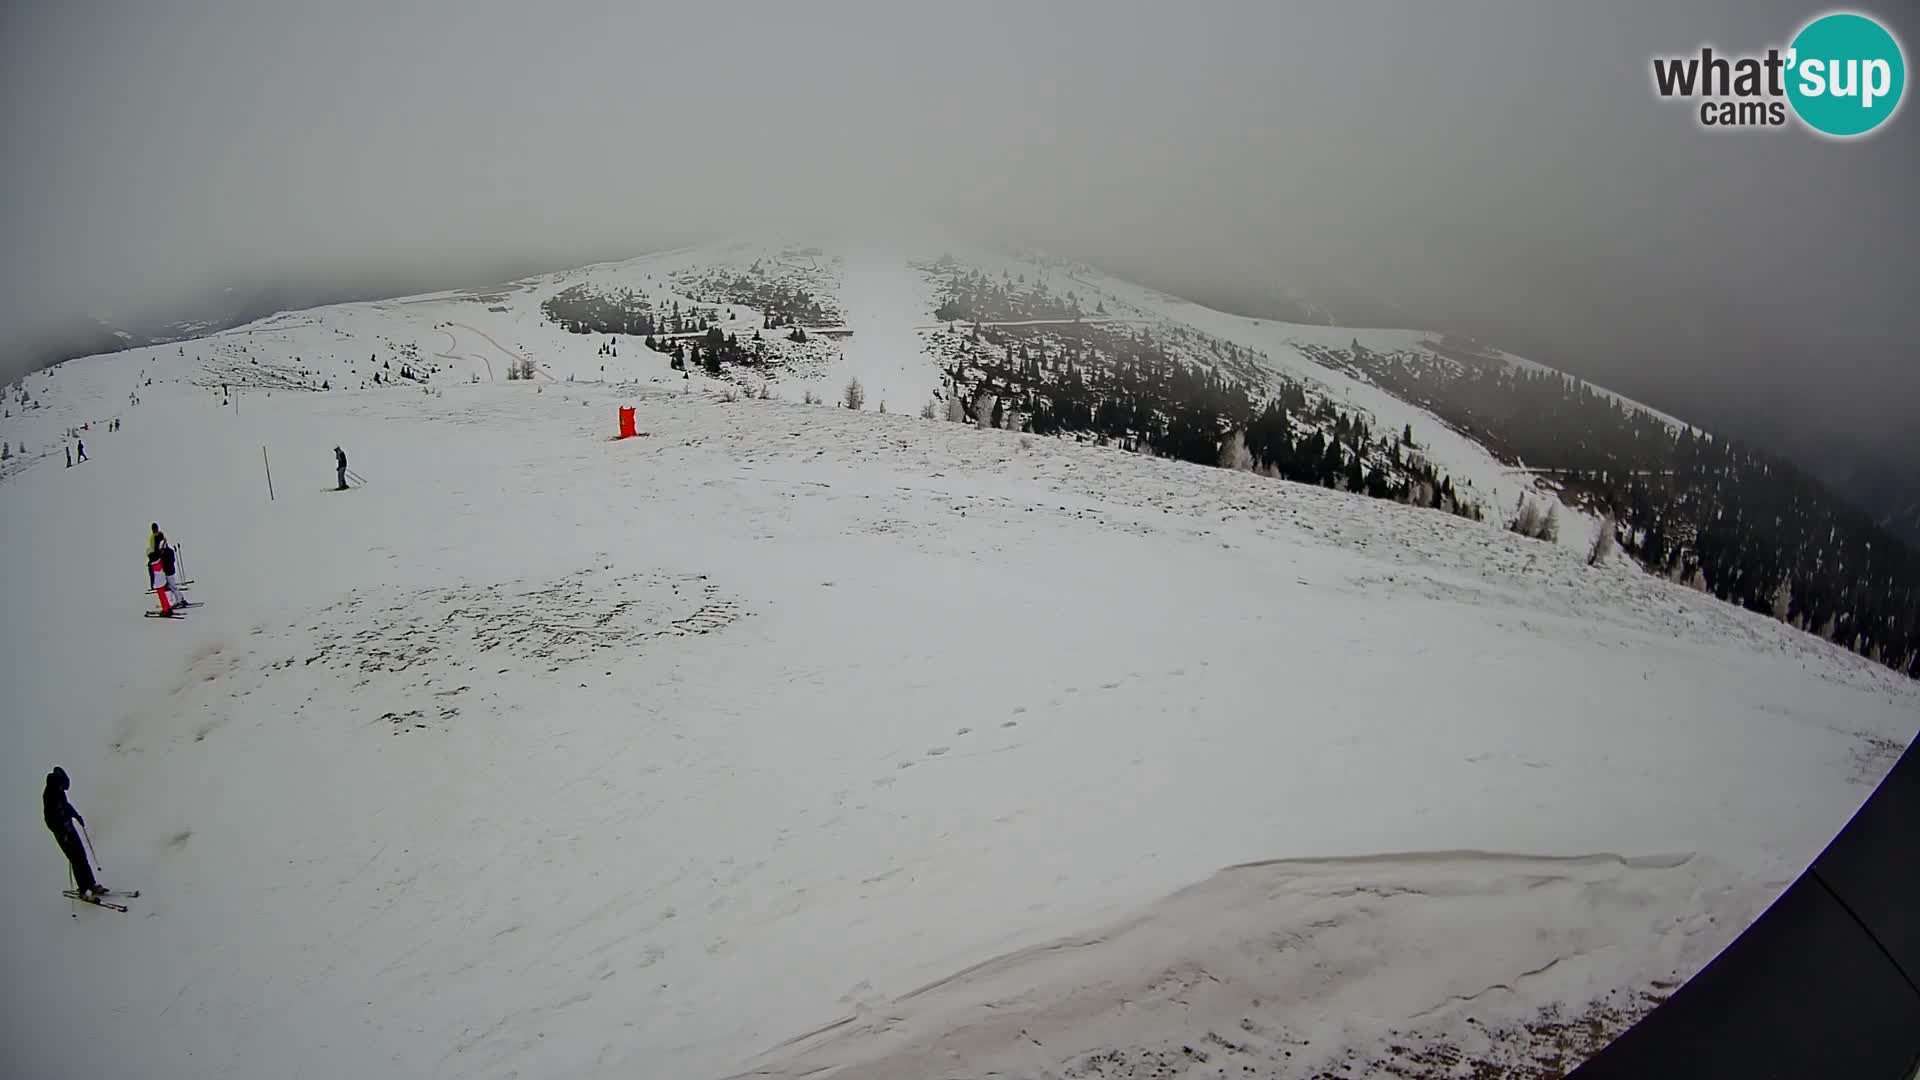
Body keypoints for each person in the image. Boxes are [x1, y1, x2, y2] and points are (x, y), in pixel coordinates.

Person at [43, 767, 102, 898]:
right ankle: (83, 889)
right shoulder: (49, 795)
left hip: (70, 828)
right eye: (63, 786)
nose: (64, 789)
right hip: (62, 833)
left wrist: (76, 816)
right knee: (76, 860)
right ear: (59, 783)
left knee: (82, 855)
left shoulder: (59, 791)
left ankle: (91, 884)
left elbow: (66, 806)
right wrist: (61, 832)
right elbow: (49, 819)